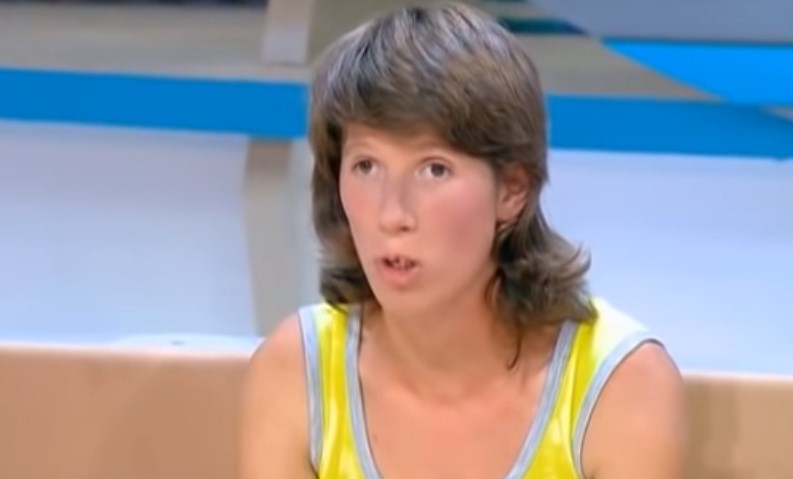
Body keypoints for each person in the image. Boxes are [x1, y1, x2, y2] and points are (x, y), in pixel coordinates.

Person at [239, 3, 688, 479]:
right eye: (366, 166)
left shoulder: (620, 384)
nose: (392, 214)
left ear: (512, 190)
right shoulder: (297, 371)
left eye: (434, 169)